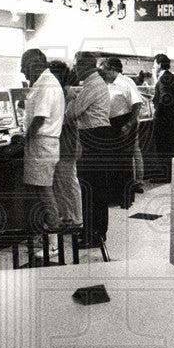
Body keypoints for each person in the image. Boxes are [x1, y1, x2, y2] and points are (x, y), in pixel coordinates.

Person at [67, 52, 113, 247]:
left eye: (77, 65)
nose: (75, 69)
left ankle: (93, 235)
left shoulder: (92, 84)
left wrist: (69, 97)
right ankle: (94, 231)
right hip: (99, 136)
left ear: (86, 66)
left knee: (91, 188)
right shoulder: (94, 84)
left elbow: (73, 113)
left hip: (93, 137)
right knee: (96, 188)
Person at [19, 48, 65, 234]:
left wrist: (24, 139)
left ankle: (53, 231)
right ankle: (49, 229)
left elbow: (39, 118)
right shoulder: (47, 82)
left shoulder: (46, 84)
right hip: (45, 143)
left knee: (44, 191)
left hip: (42, 144)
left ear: (33, 64)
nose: (22, 71)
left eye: (23, 66)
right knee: (42, 189)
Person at [100, 56, 143, 206]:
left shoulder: (126, 82)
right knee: (113, 162)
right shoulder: (108, 84)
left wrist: (129, 124)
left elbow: (137, 104)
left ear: (112, 70)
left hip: (124, 122)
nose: (103, 73)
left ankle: (126, 198)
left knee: (124, 162)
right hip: (112, 123)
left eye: (105, 70)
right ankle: (114, 197)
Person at [48, 59, 83, 227]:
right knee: (61, 184)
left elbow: (65, 118)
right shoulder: (61, 91)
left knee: (68, 182)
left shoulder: (67, 94)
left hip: (67, 143)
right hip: (63, 143)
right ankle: (67, 215)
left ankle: (76, 218)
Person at [151, 54, 174, 181]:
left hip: (164, 119)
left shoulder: (164, 78)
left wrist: (156, 112)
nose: (153, 67)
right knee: (169, 147)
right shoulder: (172, 77)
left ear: (159, 64)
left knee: (163, 146)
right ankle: (168, 173)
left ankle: (165, 175)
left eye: (154, 64)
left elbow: (164, 98)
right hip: (171, 119)